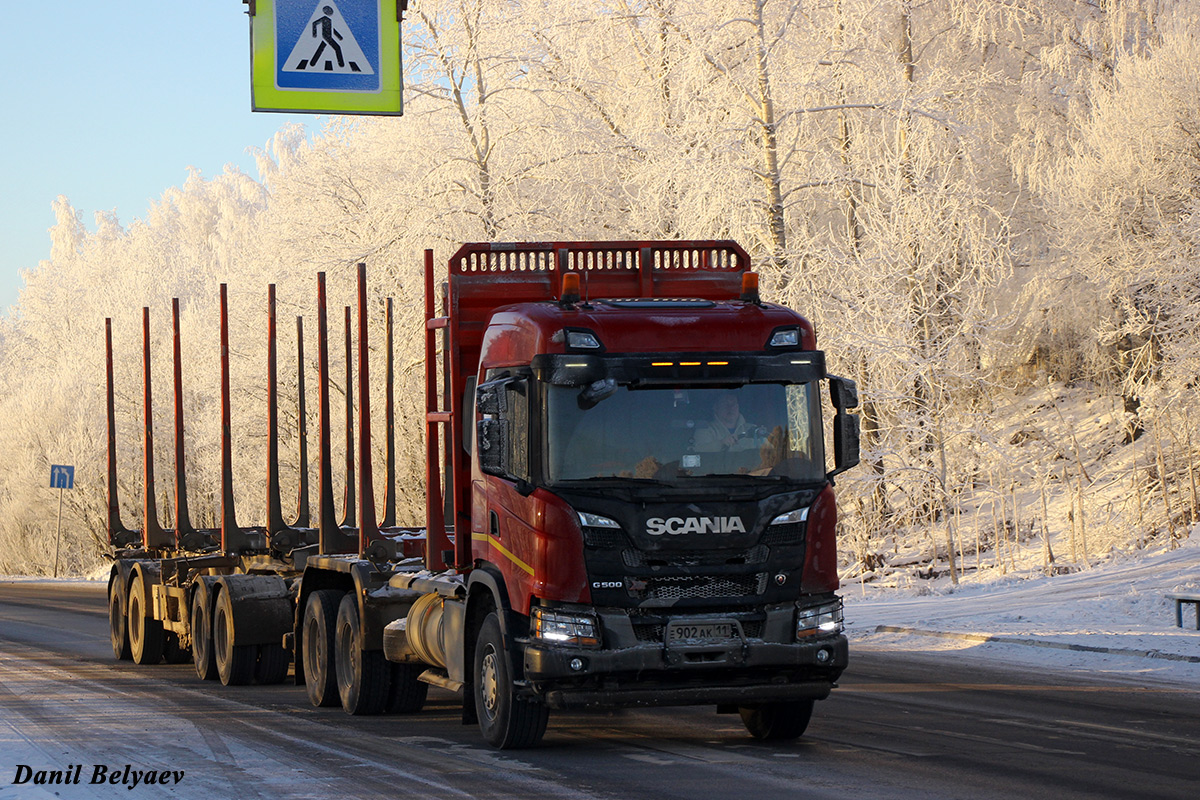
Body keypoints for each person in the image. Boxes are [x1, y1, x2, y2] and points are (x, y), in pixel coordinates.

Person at [693, 392, 759, 452]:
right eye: (725, 404)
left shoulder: (753, 430)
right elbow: (697, 450)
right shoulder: (704, 429)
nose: (730, 408)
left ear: (738, 407)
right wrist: (721, 444)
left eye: (733, 404)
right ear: (716, 407)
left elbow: (767, 451)